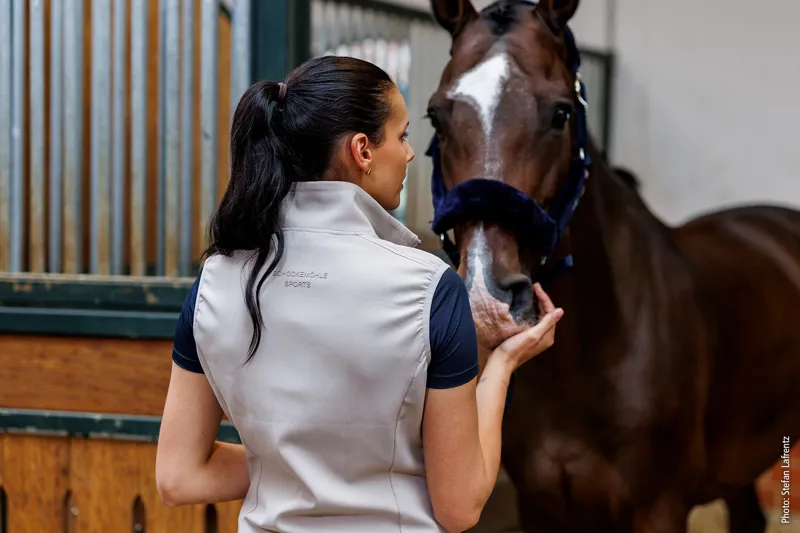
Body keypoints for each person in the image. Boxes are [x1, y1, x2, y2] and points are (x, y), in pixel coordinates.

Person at [155, 55, 564, 533]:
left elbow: (180, 476)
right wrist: (501, 367)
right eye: (403, 134)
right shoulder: (429, 288)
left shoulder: (215, 283)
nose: (410, 153)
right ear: (363, 150)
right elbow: (460, 506)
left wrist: (296, 466)